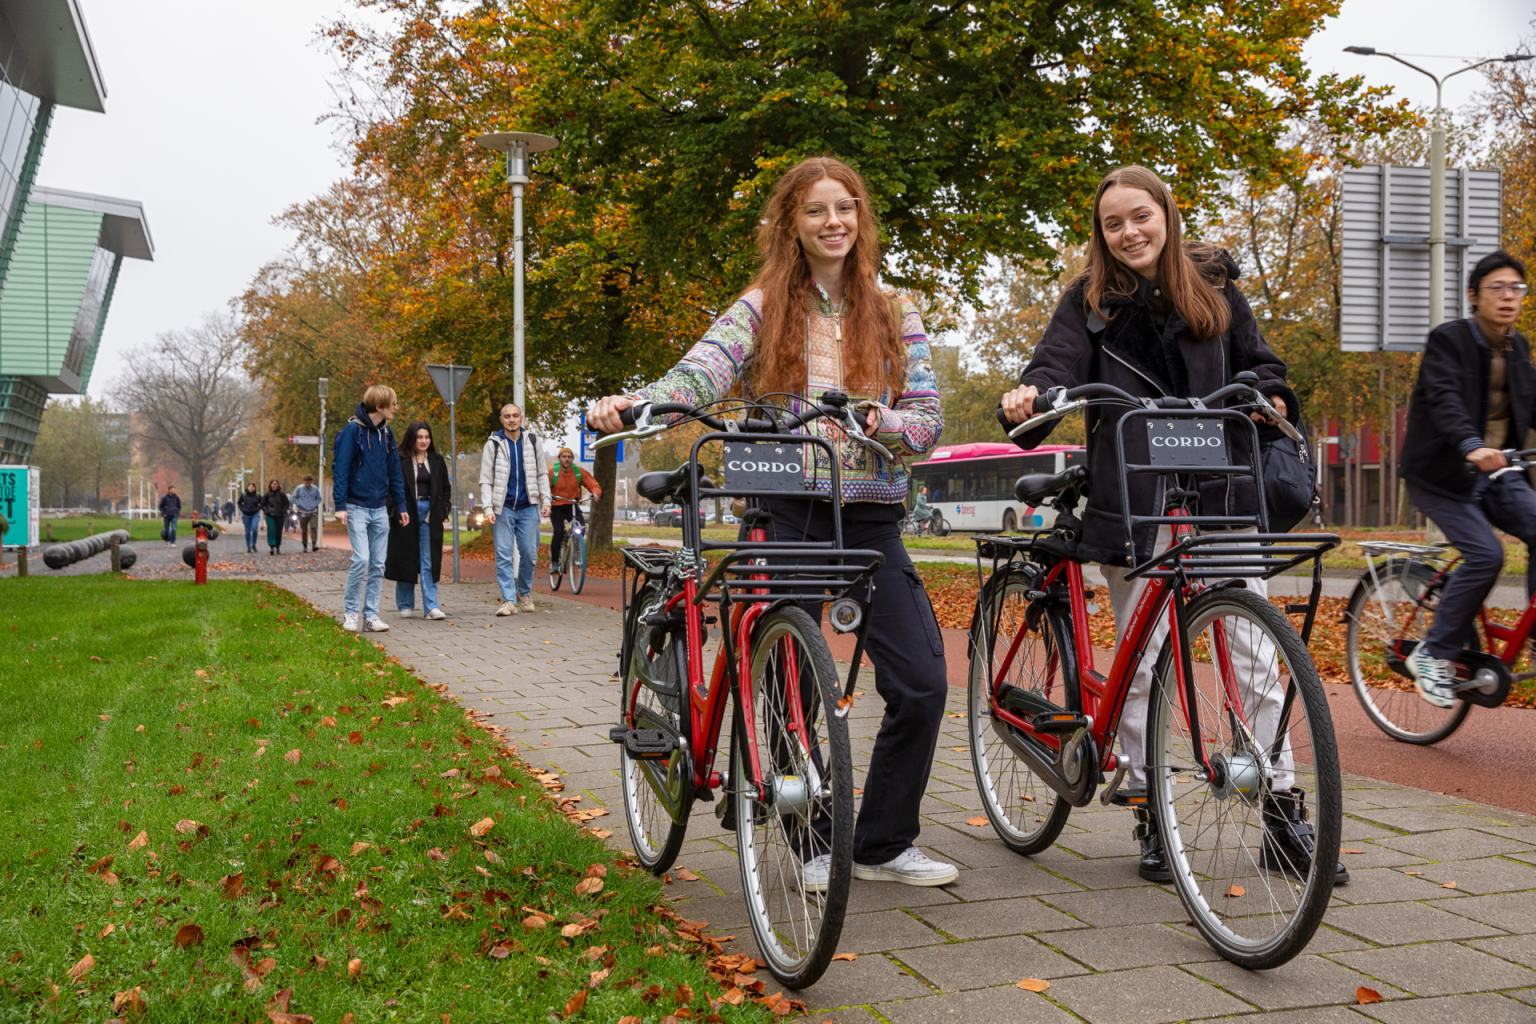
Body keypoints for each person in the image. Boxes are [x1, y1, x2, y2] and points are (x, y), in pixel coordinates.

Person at [589, 156, 955, 889]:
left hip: (874, 518)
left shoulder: (897, 312)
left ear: (861, 217)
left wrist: (885, 422)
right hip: (785, 507)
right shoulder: (761, 306)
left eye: (845, 206)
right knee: (793, 680)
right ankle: (811, 838)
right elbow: (699, 373)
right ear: (792, 223)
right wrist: (635, 402)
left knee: (923, 682)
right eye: (816, 210)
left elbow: (928, 420)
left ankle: (882, 842)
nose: (833, 222)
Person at [999, 164, 1346, 886]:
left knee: (1250, 650)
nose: (1129, 232)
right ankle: (1153, 806)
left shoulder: (1215, 287)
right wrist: (1030, 394)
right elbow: (1054, 365)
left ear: (1166, 214)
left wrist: (1268, 394)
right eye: (1113, 223)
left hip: (1220, 490)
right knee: (1146, 655)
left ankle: (1282, 812)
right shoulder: (1089, 301)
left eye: (1140, 216)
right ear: (1101, 234)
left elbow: (1263, 364)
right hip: (1135, 498)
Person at [1400, 250, 1536, 706]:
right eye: (1497, 288)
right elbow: (1444, 399)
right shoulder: (1449, 340)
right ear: (1474, 296)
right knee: (1486, 554)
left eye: (1516, 288)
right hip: (1442, 474)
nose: (1508, 297)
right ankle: (1432, 654)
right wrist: (1471, 445)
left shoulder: (1518, 349)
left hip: (1498, 471)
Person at [332, 385, 408, 632]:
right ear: (379, 406)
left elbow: (395, 470)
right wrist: (340, 505)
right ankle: (351, 613)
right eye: (393, 403)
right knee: (361, 559)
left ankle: (371, 616)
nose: (396, 407)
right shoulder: (352, 431)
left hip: (379, 509)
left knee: (378, 563)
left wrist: (401, 504)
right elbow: (341, 468)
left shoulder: (387, 434)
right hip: (356, 507)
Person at [477, 404, 550, 615]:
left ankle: (524, 593)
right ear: (501, 420)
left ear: (521, 418)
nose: (511, 419)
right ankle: (509, 600)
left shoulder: (533, 441)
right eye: (507, 416)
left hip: (528, 508)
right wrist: (488, 508)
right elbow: (486, 479)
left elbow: (542, 474)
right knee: (503, 555)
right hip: (503, 508)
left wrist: (546, 501)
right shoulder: (494, 444)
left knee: (529, 554)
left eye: (515, 416)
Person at [385, 421, 451, 619]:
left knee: (428, 560)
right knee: (406, 557)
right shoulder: (399, 459)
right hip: (406, 512)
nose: (424, 441)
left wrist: (442, 510)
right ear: (411, 438)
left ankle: (431, 607)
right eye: (419, 437)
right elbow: (389, 487)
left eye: (427, 437)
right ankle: (405, 604)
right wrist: (395, 510)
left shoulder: (437, 460)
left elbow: (445, 490)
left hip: (430, 513)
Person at [547, 447, 601, 570]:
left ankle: (575, 553)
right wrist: (547, 496)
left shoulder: (579, 472)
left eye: (569, 457)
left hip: (571, 505)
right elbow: (542, 488)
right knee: (559, 531)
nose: (567, 459)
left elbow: (593, 484)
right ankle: (554, 562)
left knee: (580, 527)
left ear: (572, 459)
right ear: (559, 458)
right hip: (556, 506)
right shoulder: (552, 473)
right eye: (564, 457)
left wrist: (596, 493)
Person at [292, 474, 322, 552]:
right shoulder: (299, 488)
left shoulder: (315, 489)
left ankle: (314, 544)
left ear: (311, 482)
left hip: (313, 512)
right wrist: (299, 504)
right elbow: (294, 497)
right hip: (303, 512)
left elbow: (319, 498)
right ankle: (304, 545)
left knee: (313, 527)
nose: (308, 484)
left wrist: (315, 504)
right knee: (304, 529)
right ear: (304, 482)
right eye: (306, 483)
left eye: (309, 483)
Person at [261, 479, 290, 556]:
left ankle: (278, 547)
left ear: (278, 485)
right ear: (270, 485)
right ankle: (272, 546)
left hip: (280, 516)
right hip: (270, 515)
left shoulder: (282, 494)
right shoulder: (267, 494)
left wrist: (283, 511)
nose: (274, 485)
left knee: (278, 531)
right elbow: (262, 504)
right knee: (271, 529)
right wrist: (266, 511)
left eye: (276, 484)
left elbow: (287, 503)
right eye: (273, 484)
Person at [238, 482, 262, 553]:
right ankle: (248, 546)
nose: (251, 488)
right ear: (247, 487)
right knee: (247, 531)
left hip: (255, 514)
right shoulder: (244, 495)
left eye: (252, 486)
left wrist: (258, 508)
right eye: (250, 486)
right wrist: (243, 509)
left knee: (254, 528)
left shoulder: (257, 495)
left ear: (254, 488)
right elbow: (239, 503)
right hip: (246, 514)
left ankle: (253, 544)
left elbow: (262, 503)